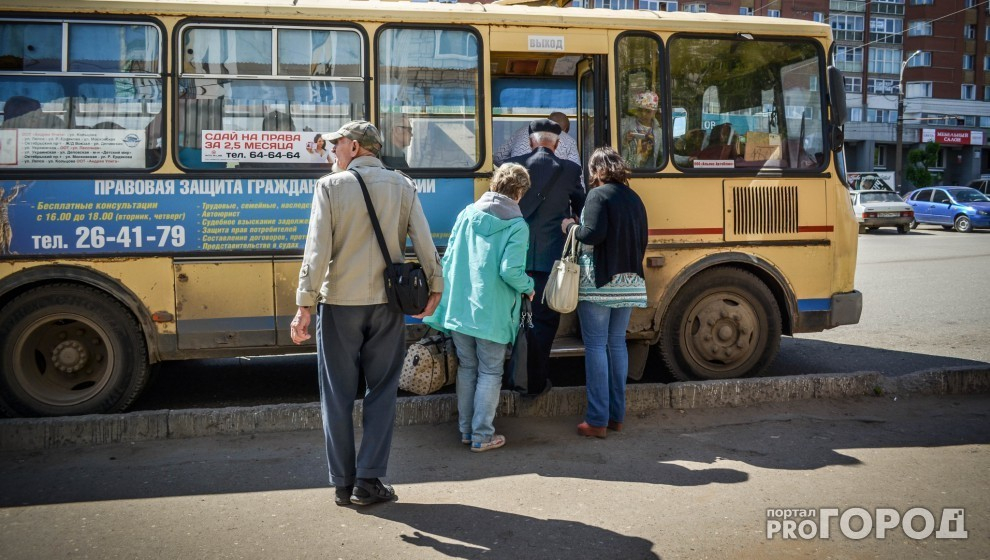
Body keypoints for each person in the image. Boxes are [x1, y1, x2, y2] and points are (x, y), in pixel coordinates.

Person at [290, 120, 443, 507]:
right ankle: (369, 480)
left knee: (337, 395)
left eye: (337, 144)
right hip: (389, 305)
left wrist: (304, 305)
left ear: (356, 147)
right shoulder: (403, 185)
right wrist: (436, 287)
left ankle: (343, 483)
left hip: (340, 305)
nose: (332, 152)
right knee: (382, 391)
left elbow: (316, 250)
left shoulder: (330, 187)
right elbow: (424, 241)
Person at [424, 163, 535, 452]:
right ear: (519, 192)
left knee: (467, 368)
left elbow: (448, 258)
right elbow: (510, 271)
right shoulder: (517, 226)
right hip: (492, 313)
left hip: (460, 309)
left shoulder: (467, 214)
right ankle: (482, 435)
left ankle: (465, 430)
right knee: (490, 372)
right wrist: (529, 286)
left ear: (493, 184)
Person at [561, 147, 648, 438]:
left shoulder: (598, 195)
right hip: (630, 281)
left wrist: (572, 226)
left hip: (600, 281)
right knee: (617, 344)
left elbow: (593, 234)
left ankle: (597, 420)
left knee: (596, 347)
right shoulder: (634, 197)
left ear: (597, 170)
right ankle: (616, 416)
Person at [503, 118, 585, 396]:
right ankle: (535, 382)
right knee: (544, 322)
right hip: (551, 259)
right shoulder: (571, 169)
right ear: (558, 143)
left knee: (514, 319)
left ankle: (511, 376)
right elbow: (581, 207)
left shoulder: (511, 166)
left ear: (530, 140)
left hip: (515, 259)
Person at [493, 111, 580, 166]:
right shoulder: (569, 140)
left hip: (519, 185)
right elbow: (578, 173)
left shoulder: (520, 132)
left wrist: (511, 168)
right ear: (565, 129)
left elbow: (498, 157)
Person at [620, 91, 662, 168]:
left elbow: (664, 154)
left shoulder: (658, 131)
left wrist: (687, 159)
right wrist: (625, 140)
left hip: (648, 174)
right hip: (627, 170)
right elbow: (613, 146)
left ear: (654, 112)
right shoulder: (625, 124)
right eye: (640, 110)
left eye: (648, 111)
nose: (643, 114)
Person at [0, 183, 26, 255]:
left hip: (6, 220)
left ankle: (7, 250)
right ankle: (2, 251)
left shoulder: (5, 201)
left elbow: (14, 194)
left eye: (1, 193)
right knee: (1, 238)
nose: (0, 194)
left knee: (8, 234)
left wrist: (17, 186)